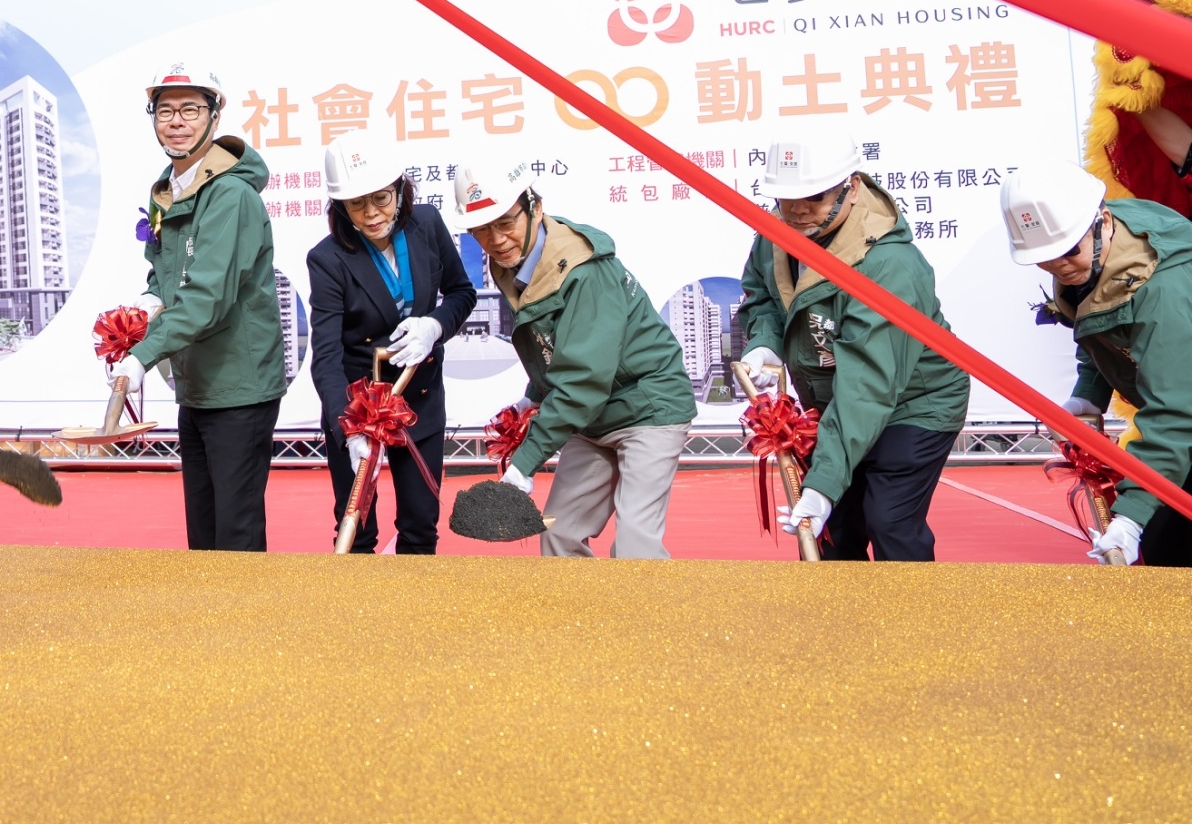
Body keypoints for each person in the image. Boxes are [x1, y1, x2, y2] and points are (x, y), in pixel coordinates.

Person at [736, 130, 968, 561]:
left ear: (852, 187)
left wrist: (822, 485)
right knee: (836, 530)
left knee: (890, 520)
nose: (799, 211)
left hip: (914, 401)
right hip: (836, 398)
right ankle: (847, 622)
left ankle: (918, 622)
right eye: (787, 199)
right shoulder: (774, 235)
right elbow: (763, 296)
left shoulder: (888, 264)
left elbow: (868, 385)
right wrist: (765, 343)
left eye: (815, 196)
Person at [453, 158, 695, 558]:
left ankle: (647, 620)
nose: (495, 239)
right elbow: (553, 343)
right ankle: (583, 621)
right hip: (592, 416)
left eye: (505, 222)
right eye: (481, 229)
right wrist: (533, 395)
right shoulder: (509, 261)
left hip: (648, 406)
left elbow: (583, 380)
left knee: (636, 544)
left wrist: (523, 466)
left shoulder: (584, 272)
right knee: (558, 533)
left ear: (535, 207)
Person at [112, 62, 288, 552]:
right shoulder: (168, 191)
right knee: (204, 528)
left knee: (234, 531)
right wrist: (148, 301)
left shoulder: (230, 194)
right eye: (165, 110)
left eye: (191, 108)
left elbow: (208, 296)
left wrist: (143, 355)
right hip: (198, 384)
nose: (176, 121)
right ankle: (210, 623)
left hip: (239, 386)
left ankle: (246, 624)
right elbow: (164, 271)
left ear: (215, 115)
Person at [1001, 161, 1192, 567]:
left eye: (1067, 252)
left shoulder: (1162, 291)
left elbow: (1177, 412)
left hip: (1183, 410)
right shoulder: (1096, 248)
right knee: (1166, 546)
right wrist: (1088, 396)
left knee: (1169, 545)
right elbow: (1099, 321)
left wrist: (1131, 518)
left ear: (1102, 222)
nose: (1059, 266)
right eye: (1045, 259)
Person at [307, 131, 474, 553]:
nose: (371, 214)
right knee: (357, 531)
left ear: (400, 188)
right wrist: (348, 427)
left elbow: (461, 293)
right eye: (356, 204)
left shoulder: (428, 225)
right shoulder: (327, 259)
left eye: (381, 198)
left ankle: (414, 616)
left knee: (420, 526)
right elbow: (326, 356)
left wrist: (434, 326)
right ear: (339, 206)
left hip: (419, 400)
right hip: (358, 410)